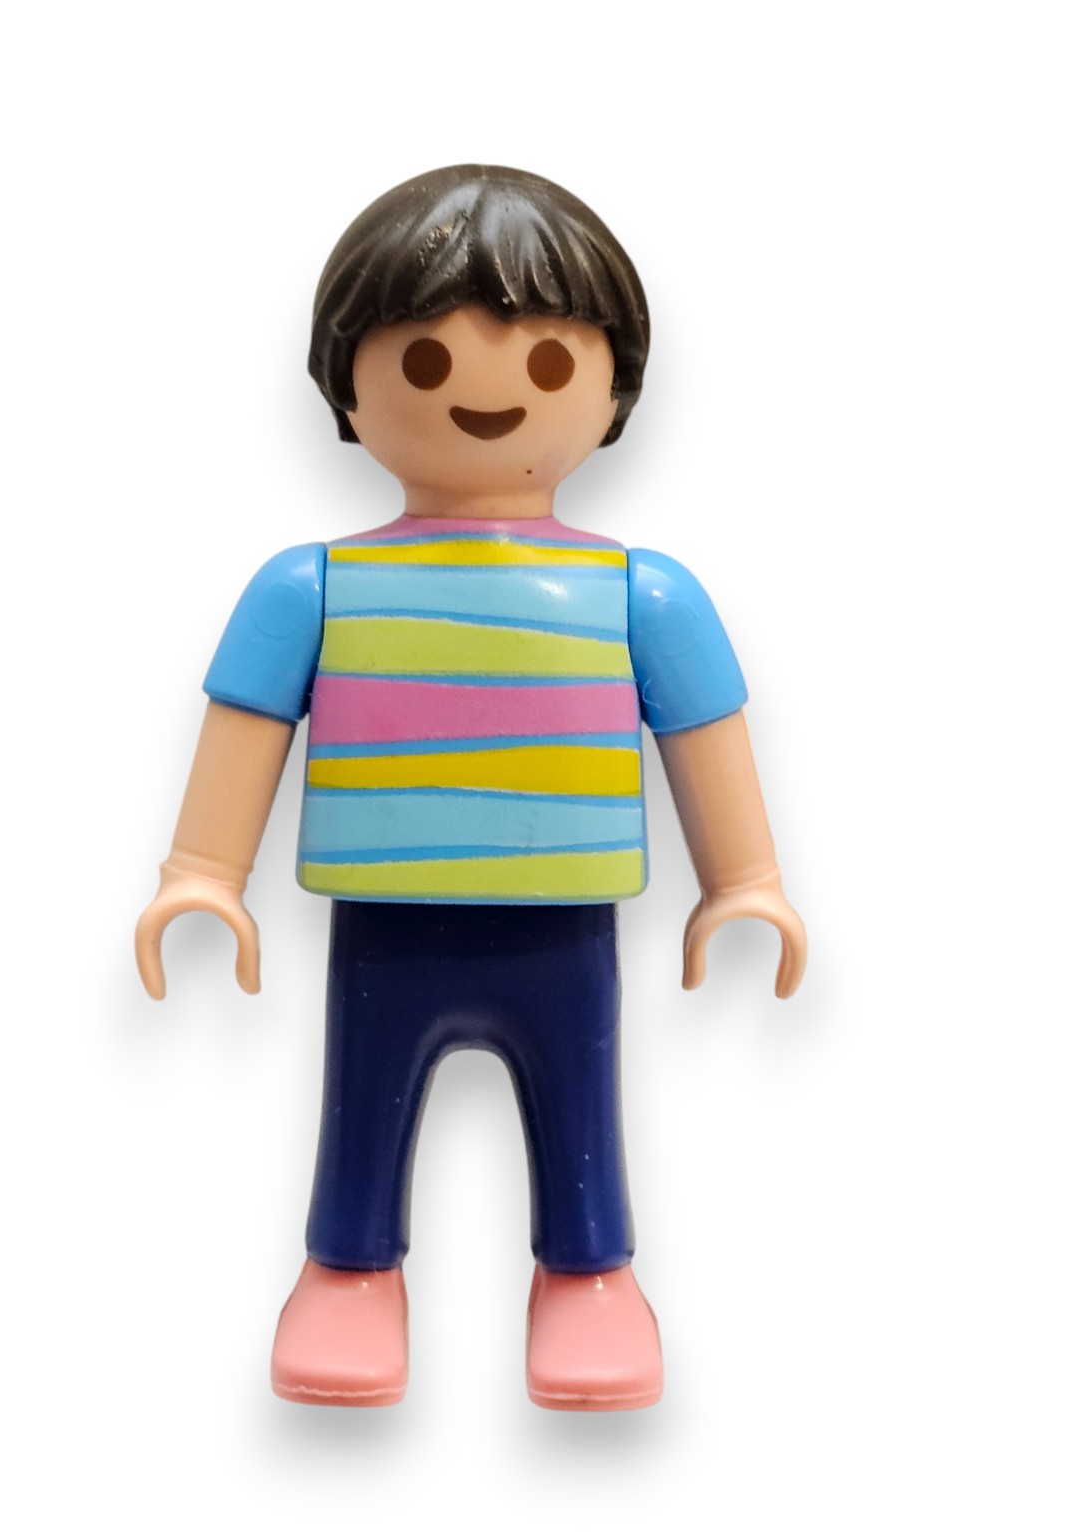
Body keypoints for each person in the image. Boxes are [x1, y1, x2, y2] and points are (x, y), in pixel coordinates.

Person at [136, 164, 807, 1410]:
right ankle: (347, 1272)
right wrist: (202, 874)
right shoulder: (312, 587)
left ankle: (590, 1277)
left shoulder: (641, 594)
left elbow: (706, 735)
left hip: (564, 921)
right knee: (362, 1102)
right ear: (346, 382)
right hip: (385, 919)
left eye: (547, 361)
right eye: (426, 361)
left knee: (580, 1102)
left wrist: (744, 881)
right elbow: (246, 729)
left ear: (613, 386)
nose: (487, 393)